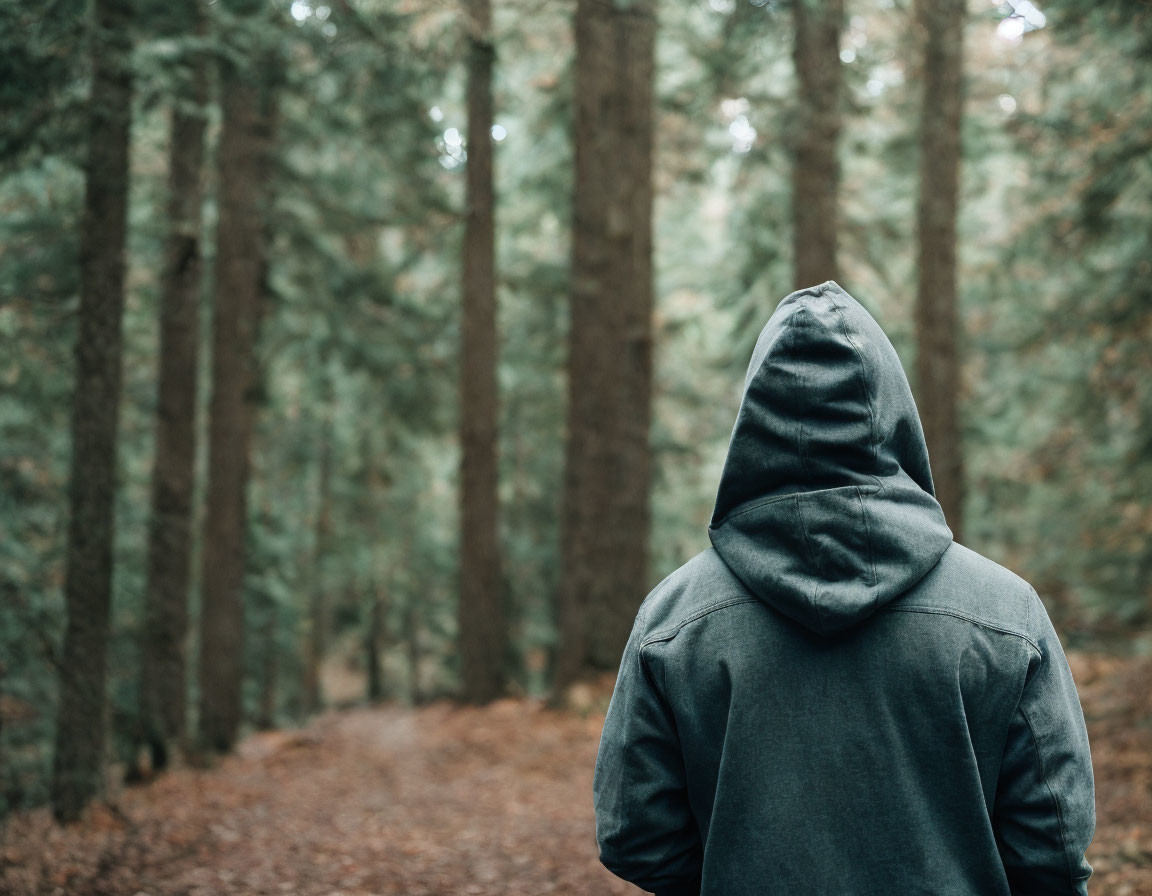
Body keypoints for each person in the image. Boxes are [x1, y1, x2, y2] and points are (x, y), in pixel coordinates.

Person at [593, 282, 1096, 896]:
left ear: (755, 422)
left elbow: (633, 833)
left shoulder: (674, 621)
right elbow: (1054, 842)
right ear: (893, 411)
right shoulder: (1004, 613)